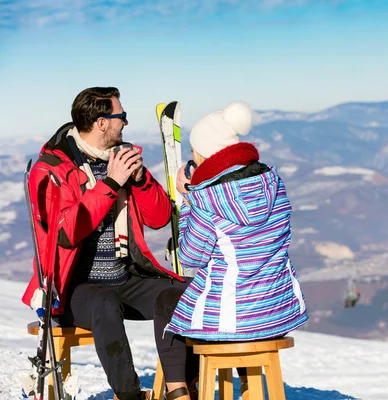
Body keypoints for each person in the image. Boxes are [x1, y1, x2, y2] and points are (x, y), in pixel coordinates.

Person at [21, 87, 196, 400]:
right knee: (104, 301)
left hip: (124, 278)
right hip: (72, 288)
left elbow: (158, 218)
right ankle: (128, 395)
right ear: (102, 123)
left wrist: (140, 180)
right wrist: (111, 183)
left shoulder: (122, 158)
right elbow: (66, 232)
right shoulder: (51, 170)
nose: (125, 124)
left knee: (183, 293)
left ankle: (180, 389)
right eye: (121, 117)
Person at [152, 101, 309, 400]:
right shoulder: (273, 183)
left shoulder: (208, 200)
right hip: (277, 313)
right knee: (224, 303)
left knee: (166, 300)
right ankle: (246, 389)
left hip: (233, 321)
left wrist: (189, 201)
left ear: (202, 153)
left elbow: (188, 258)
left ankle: (179, 392)